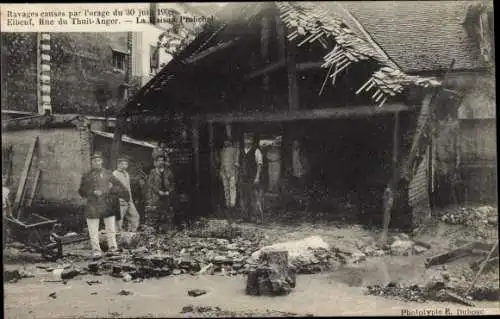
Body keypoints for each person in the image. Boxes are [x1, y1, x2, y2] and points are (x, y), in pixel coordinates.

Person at [78, 152, 127, 259]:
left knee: (110, 228)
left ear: (102, 161)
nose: (97, 162)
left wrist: (108, 192)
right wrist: (91, 192)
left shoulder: (108, 173)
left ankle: (113, 248)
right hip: (93, 205)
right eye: (94, 161)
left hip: (107, 203)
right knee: (93, 229)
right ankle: (96, 251)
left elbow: (119, 186)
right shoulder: (87, 175)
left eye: (98, 160)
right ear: (91, 162)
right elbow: (81, 191)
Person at [146, 154, 176, 232]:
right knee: (156, 212)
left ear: (164, 162)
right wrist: (158, 191)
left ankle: (165, 229)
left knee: (167, 212)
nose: (161, 162)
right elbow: (150, 184)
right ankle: (156, 229)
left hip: (167, 195)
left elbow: (173, 183)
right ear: (156, 162)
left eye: (162, 160)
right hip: (156, 195)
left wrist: (168, 191)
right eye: (159, 160)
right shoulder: (153, 172)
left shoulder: (168, 171)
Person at [239, 132, 264, 223]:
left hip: (252, 177)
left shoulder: (256, 150)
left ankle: (258, 218)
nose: (247, 141)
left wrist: (257, 177)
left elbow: (259, 165)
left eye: (249, 140)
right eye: (246, 139)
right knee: (244, 198)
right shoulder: (241, 150)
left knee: (255, 198)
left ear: (252, 141)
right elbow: (239, 164)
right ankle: (245, 217)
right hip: (243, 177)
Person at [112, 156, 140, 233]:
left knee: (135, 216)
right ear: (118, 164)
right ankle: (117, 236)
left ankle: (131, 234)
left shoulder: (126, 174)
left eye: (126, 164)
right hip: (119, 201)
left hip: (129, 200)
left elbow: (128, 187)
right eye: (122, 164)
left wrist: (130, 199)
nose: (124, 166)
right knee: (119, 220)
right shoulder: (114, 174)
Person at [219, 138, 240, 211]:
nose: (225, 142)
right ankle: (228, 204)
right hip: (224, 171)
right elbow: (221, 162)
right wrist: (221, 171)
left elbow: (236, 162)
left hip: (232, 171)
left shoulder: (235, 149)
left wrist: (236, 171)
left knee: (232, 187)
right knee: (226, 188)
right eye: (225, 141)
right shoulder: (222, 150)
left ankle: (232, 204)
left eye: (227, 141)